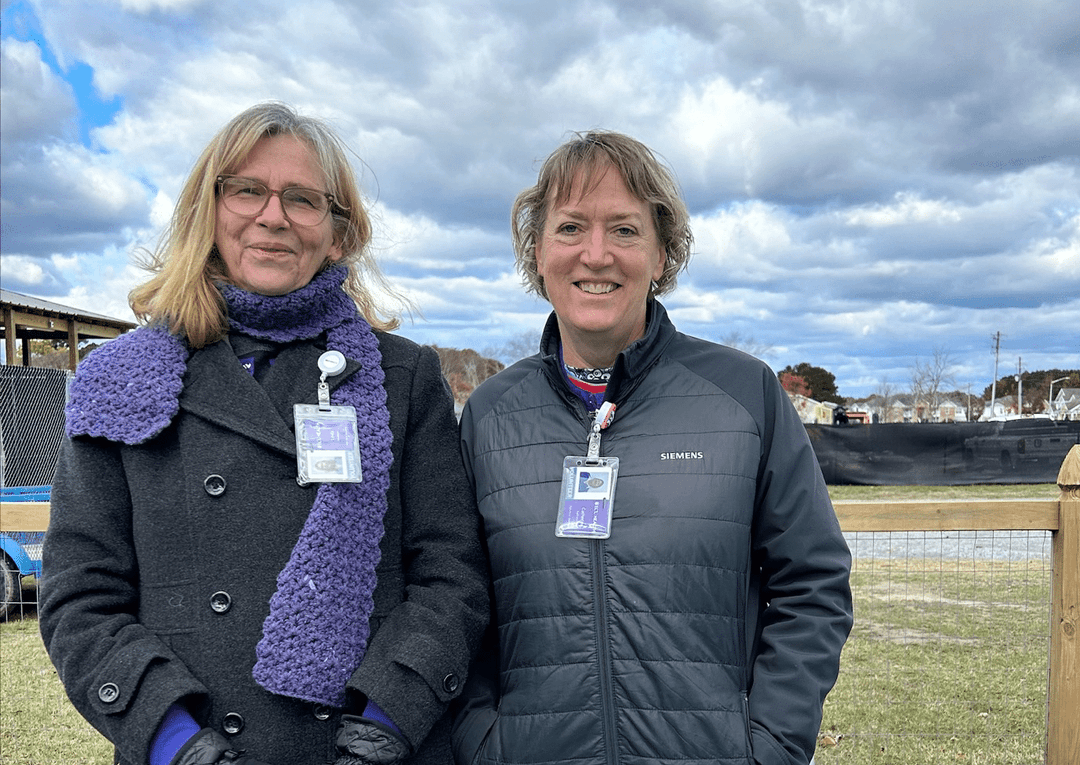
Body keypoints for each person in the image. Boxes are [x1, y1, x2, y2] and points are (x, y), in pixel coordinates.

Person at [39, 102, 489, 765]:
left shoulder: (403, 377)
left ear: (337, 233)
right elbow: (80, 595)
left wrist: (385, 722)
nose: (272, 216)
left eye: (303, 199)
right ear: (209, 211)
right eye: (247, 189)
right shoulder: (120, 379)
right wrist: (175, 742)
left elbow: (452, 576)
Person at [453, 131, 853, 765]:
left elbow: (812, 582)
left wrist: (771, 744)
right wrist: (482, 742)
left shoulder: (744, 394)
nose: (596, 254)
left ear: (662, 254)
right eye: (570, 228)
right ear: (536, 253)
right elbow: (457, 596)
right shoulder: (489, 415)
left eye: (625, 230)